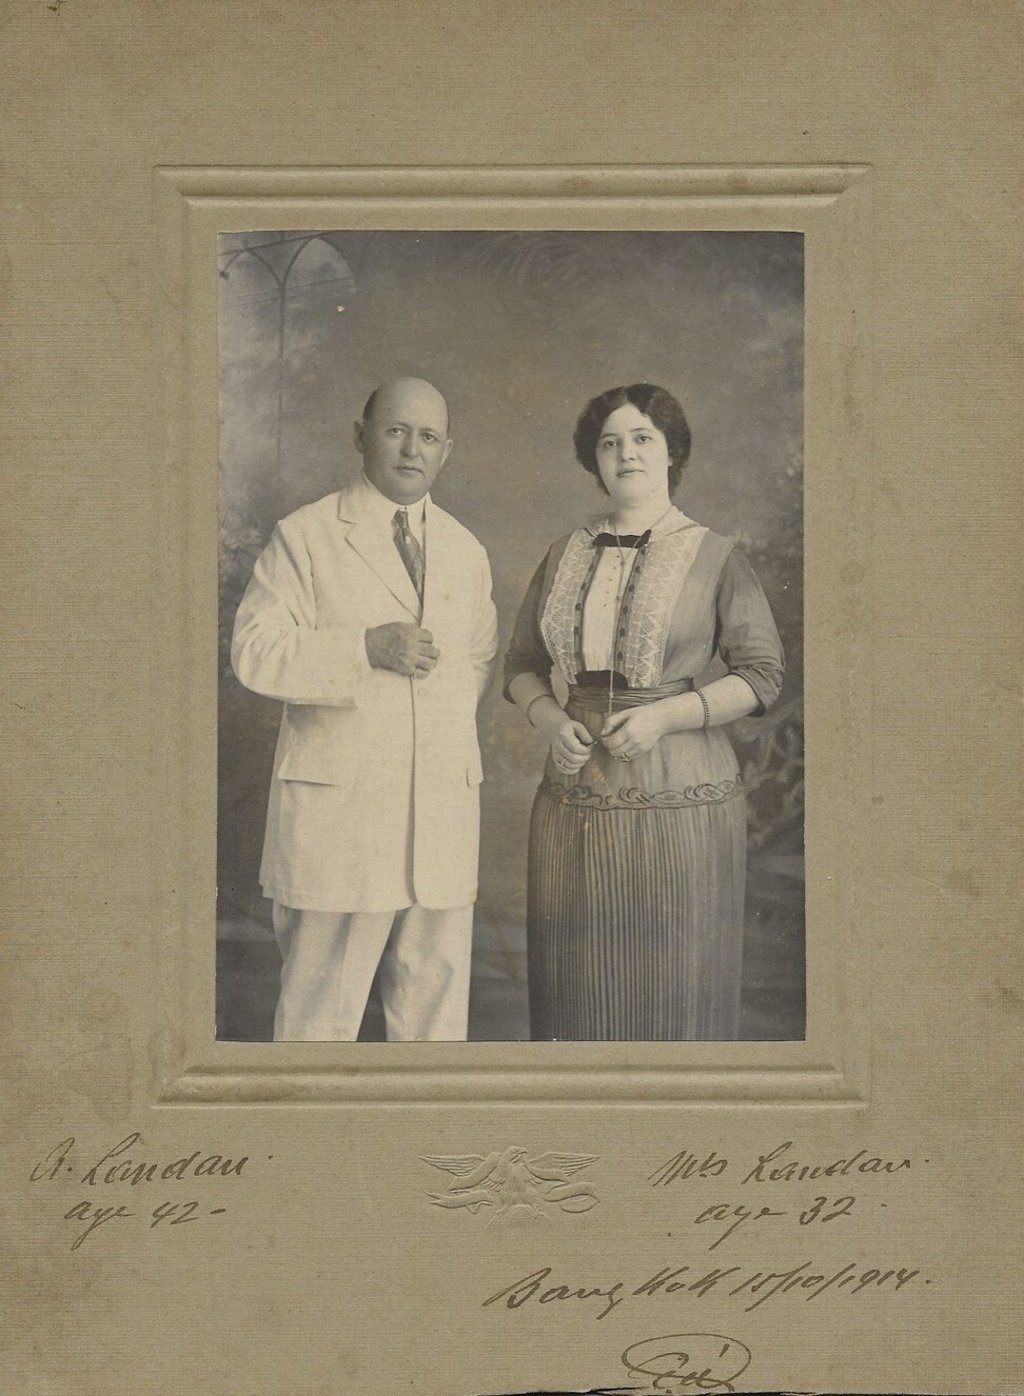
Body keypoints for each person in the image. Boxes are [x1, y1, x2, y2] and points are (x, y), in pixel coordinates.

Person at [504, 383, 784, 1041]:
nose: (625, 453)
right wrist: (549, 719)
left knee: (673, 986)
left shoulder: (716, 556)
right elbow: (517, 664)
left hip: (683, 793)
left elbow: (763, 676)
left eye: (642, 439)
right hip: (574, 793)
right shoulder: (561, 554)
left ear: (670, 453)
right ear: (593, 460)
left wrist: (667, 716)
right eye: (610, 442)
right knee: (577, 988)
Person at [231, 376, 498, 1041]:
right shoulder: (307, 535)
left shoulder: (467, 550)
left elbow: (477, 661)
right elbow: (254, 650)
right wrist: (361, 649)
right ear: (361, 435)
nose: (412, 449)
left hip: (438, 814)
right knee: (318, 1022)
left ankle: (425, 1143)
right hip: (340, 819)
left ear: (447, 451)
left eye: (429, 437)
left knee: (436, 1021)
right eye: (396, 430)